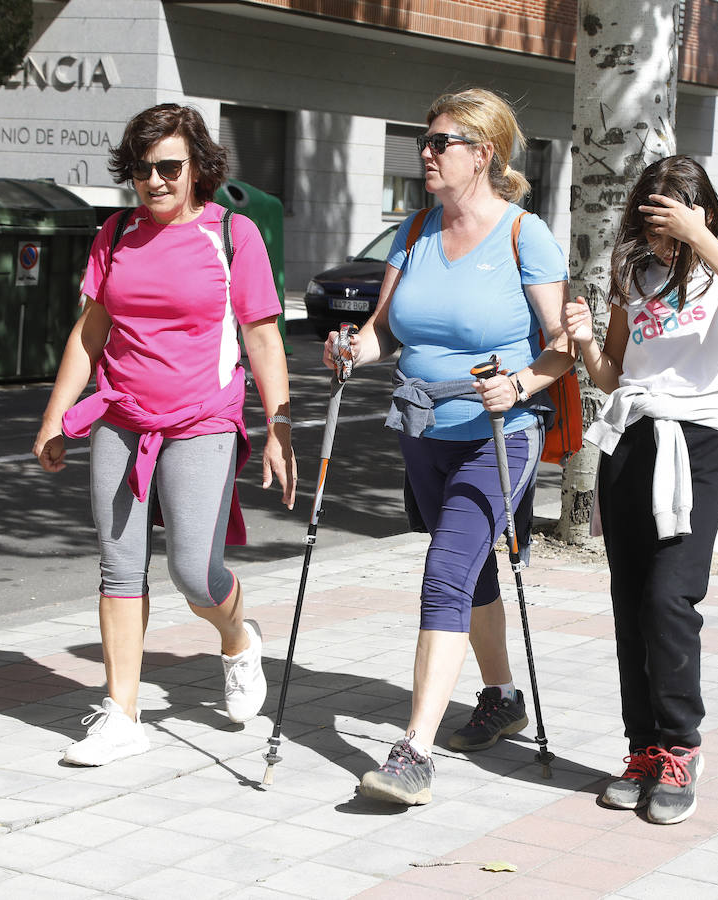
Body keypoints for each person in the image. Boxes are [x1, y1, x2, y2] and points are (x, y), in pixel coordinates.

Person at [323, 88, 573, 805]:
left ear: (481, 154)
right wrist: (349, 349)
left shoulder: (526, 236)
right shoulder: (413, 232)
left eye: (439, 144)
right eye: (423, 142)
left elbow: (564, 347)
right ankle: (501, 697)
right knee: (470, 573)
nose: (424, 154)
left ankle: (412, 752)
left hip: (500, 436)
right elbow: (383, 330)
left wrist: (522, 383)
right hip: (422, 431)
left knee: (443, 573)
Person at [33, 103, 297, 766]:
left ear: (197, 168)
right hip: (120, 417)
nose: (153, 181)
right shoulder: (115, 234)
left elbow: (262, 337)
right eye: (142, 169)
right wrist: (56, 415)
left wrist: (279, 425)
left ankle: (237, 639)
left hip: (202, 419)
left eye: (168, 167)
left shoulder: (232, 235)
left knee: (192, 571)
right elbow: (89, 333)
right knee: (119, 564)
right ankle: (122, 715)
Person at [562, 155, 718, 824]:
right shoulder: (632, 269)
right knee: (630, 603)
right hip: (631, 439)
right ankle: (643, 748)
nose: (659, 239)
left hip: (702, 443)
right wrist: (581, 345)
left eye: (669, 223)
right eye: (649, 223)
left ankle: (682, 744)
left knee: (667, 597)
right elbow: (614, 372)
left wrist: (699, 234)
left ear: (698, 212)